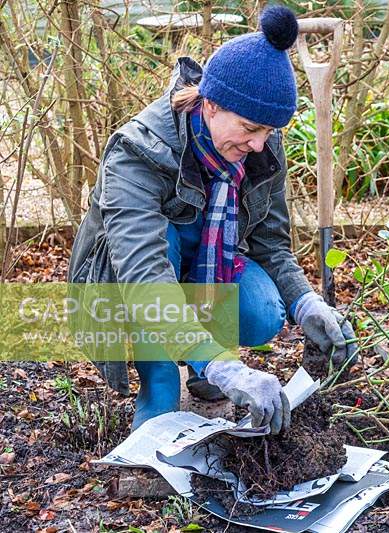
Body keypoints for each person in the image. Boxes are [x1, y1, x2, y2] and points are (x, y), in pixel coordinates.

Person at [67, 6, 356, 433]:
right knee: (162, 241)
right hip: (132, 279)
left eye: (269, 133)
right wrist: (225, 365)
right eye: (250, 128)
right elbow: (144, 275)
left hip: (204, 268)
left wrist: (305, 301)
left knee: (263, 311)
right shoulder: (137, 152)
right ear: (211, 104)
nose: (259, 145)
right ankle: (159, 395)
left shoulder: (259, 149)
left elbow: (271, 244)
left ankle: (205, 371)